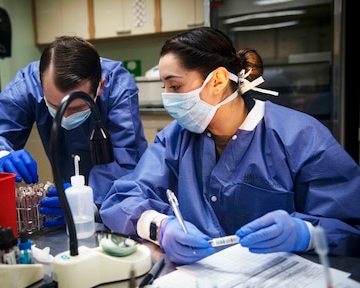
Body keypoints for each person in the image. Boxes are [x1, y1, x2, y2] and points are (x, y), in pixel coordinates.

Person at [99, 27, 360, 265]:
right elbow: (121, 199)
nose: (168, 98)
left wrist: (306, 234)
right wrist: (158, 226)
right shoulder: (175, 138)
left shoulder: (300, 136)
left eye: (175, 86)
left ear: (218, 80)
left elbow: (350, 225)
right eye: (164, 87)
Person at [0, 36, 148, 227]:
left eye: (76, 108)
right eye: (54, 105)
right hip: (66, 194)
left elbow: (127, 162)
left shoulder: (117, 84)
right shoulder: (27, 83)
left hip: (115, 201)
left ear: (99, 86)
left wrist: (88, 203)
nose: (65, 116)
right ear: (41, 83)